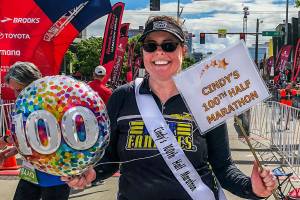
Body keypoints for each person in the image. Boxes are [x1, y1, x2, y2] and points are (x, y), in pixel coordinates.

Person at [63, 16, 276, 200]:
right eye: (150, 45)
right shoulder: (122, 97)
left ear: (183, 50)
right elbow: (108, 158)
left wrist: (252, 188)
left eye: (169, 45)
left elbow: (223, 167)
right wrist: (91, 173)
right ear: (143, 52)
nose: (159, 53)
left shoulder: (206, 98)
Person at [4, 61, 70, 200]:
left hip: (55, 175)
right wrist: (18, 148)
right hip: (31, 172)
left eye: (18, 89)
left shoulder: (54, 103)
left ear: (33, 84)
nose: (16, 95)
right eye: (14, 90)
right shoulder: (22, 106)